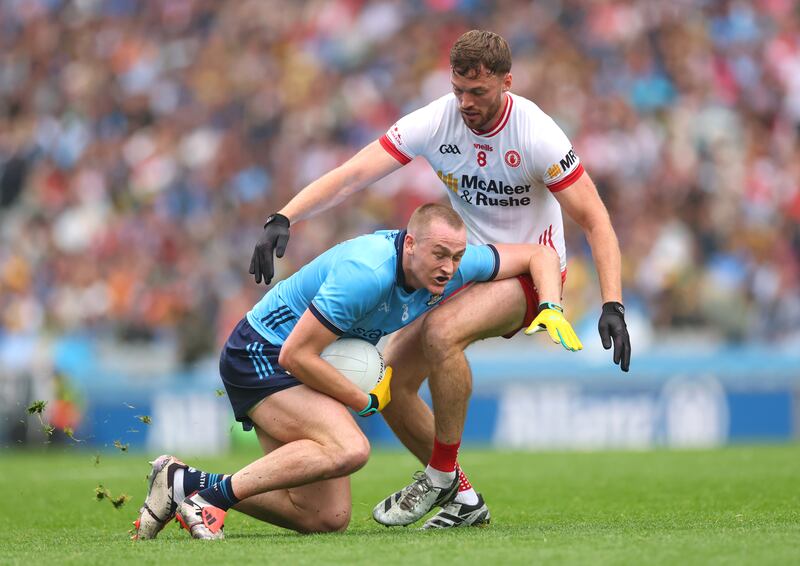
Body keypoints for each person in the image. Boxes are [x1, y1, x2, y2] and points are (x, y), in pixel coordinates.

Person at [248, 30, 632, 528]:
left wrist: (612, 303)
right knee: (388, 380)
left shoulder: (537, 134)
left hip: (529, 267)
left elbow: (596, 219)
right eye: (459, 90)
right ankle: (462, 497)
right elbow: (353, 174)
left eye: (479, 92)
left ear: (507, 83)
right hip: (464, 265)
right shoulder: (437, 121)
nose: (467, 103)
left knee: (440, 333)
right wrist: (285, 216)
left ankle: (438, 476)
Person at [133, 203, 582, 540]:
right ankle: (213, 500)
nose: (449, 267)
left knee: (325, 518)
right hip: (261, 355)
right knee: (351, 447)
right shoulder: (366, 273)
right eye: (439, 254)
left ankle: (185, 482)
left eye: (457, 256)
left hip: (301, 359)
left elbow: (538, 256)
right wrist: (364, 399)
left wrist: (549, 306)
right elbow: (295, 356)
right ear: (410, 244)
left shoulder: (457, 266)